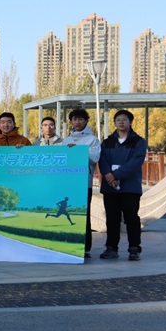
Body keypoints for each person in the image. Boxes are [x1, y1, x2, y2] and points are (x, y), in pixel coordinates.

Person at [98, 110, 147, 261]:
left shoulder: (138, 142)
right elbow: (102, 160)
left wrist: (116, 175)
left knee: (131, 218)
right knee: (112, 219)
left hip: (130, 187)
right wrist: (108, 175)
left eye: (124, 120)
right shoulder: (107, 142)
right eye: (118, 120)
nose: (121, 122)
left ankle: (134, 248)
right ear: (114, 123)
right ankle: (111, 248)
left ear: (130, 122)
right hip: (110, 188)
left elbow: (135, 162)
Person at [62, 109, 101, 257]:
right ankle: (69, 243)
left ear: (86, 121)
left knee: (84, 214)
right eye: (74, 119)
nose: (77, 122)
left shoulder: (93, 140)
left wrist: (79, 150)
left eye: (80, 119)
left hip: (85, 184)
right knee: (71, 213)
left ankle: (85, 247)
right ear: (71, 122)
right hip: (68, 184)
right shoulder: (66, 140)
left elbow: (95, 158)